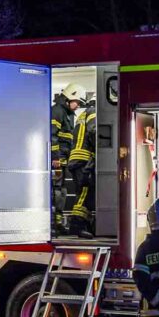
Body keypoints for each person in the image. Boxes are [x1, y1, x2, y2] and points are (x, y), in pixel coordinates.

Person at [51, 83, 85, 235]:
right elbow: (52, 135)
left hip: (63, 159)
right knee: (56, 191)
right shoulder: (57, 111)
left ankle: (58, 223)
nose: (78, 106)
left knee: (62, 190)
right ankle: (53, 224)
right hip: (57, 160)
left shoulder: (67, 114)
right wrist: (55, 157)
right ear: (69, 98)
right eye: (77, 102)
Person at [67, 99, 97, 238]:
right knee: (84, 192)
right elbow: (93, 131)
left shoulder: (83, 114)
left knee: (85, 192)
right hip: (83, 159)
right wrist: (100, 150)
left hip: (79, 158)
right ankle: (77, 225)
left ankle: (84, 223)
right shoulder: (93, 111)